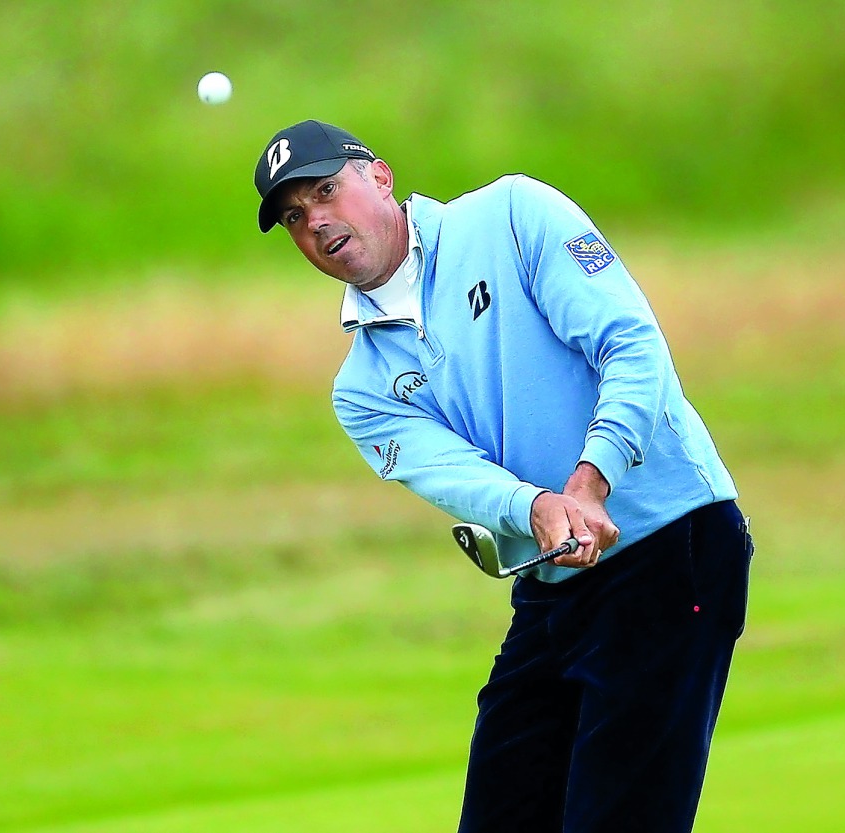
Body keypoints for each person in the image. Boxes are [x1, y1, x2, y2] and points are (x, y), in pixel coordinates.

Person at [252, 120, 754, 833]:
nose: (316, 222)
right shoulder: (362, 388)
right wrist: (539, 506)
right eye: (295, 217)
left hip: (670, 549)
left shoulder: (511, 216)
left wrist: (593, 478)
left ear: (380, 177)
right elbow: (460, 479)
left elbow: (629, 344)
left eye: (326, 191)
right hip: (552, 586)